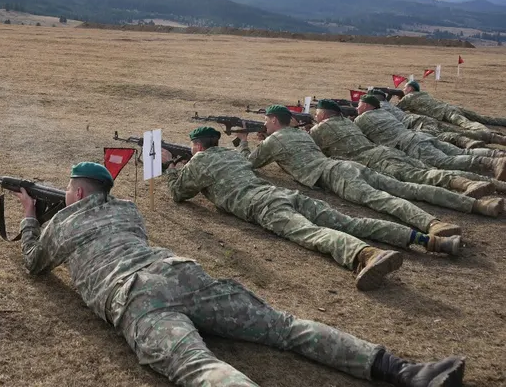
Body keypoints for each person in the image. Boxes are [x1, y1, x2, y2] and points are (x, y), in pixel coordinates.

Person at [11, 161, 466, 387]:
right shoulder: (128, 210)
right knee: (283, 328)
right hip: (178, 271)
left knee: (202, 367)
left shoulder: (63, 224)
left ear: (74, 191)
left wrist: (32, 215)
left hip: (135, 298)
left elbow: (35, 263)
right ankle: (406, 371)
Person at [162, 126, 460, 289]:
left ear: (197, 146)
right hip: (283, 193)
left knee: (311, 234)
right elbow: (242, 159)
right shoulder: (232, 156)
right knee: (350, 221)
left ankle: (365, 254)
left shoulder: (199, 160)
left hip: (262, 206)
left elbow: (178, 193)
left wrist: (169, 167)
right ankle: (431, 240)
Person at [233, 105, 461, 239]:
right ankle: (469, 200)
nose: (264, 124)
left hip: (334, 174)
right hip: (346, 165)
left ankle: (432, 224)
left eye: (265, 120)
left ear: (274, 120)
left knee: (382, 199)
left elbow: (248, 163)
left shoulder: (274, 141)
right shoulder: (301, 134)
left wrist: (243, 141)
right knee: (406, 187)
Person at [309, 98, 503, 217]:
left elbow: (313, 148)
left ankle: (471, 188)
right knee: (433, 170)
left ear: (324, 114)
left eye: (316, 113)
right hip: (393, 149)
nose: (315, 115)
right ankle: (495, 179)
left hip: (381, 158)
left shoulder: (328, 127)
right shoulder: (354, 122)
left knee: (423, 180)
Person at [354, 95, 506, 180]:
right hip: (418, 135)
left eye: (359, 105)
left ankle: (490, 162)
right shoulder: (384, 112)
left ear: (367, 106)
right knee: (461, 153)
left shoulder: (361, 119)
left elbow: (357, 134)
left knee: (445, 161)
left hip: (410, 144)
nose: (357, 108)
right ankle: (496, 155)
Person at [399, 80, 506, 136]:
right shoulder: (423, 94)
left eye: (405, 87)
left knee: (467, 124)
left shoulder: (408, 98)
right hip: (451, 107)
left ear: (410, 88)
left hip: (447, 113)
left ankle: (490, 134)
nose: (403, 89)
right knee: (484, 118)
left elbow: (396, 109)